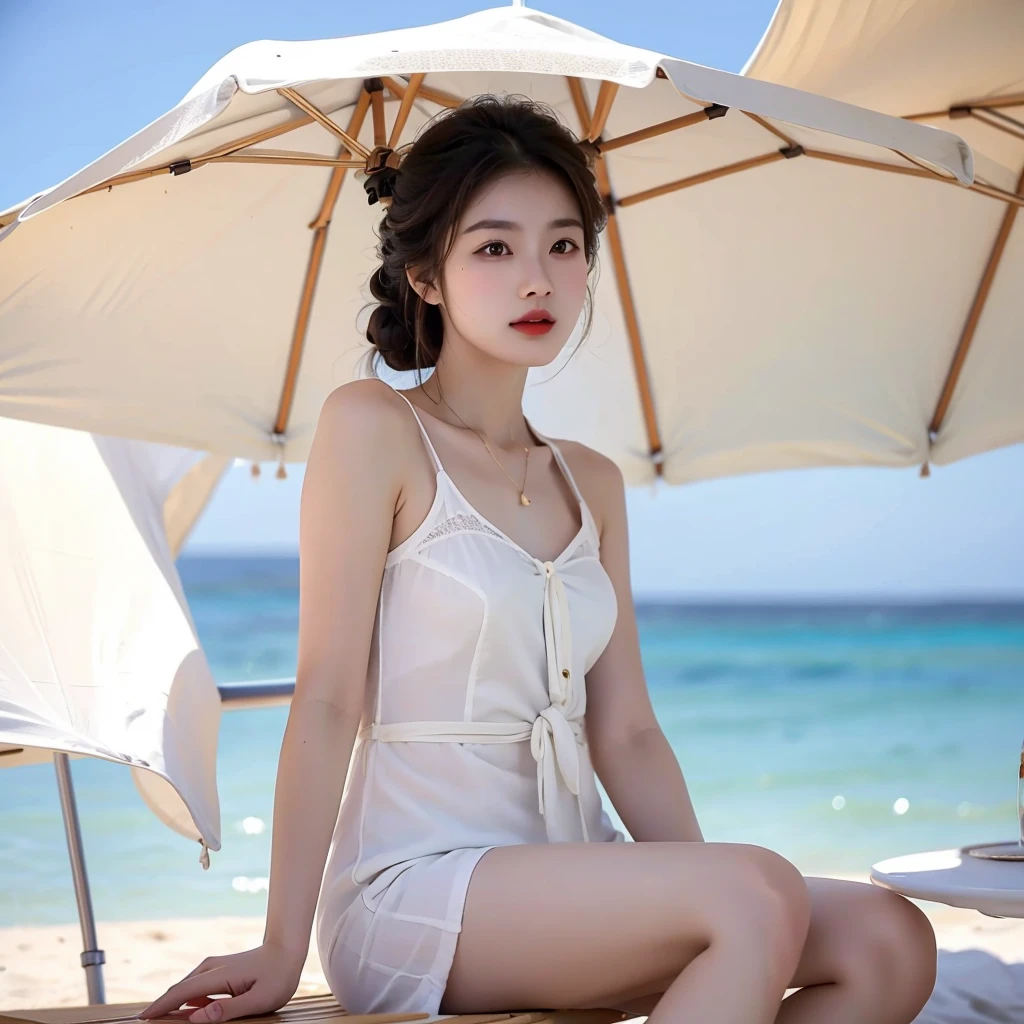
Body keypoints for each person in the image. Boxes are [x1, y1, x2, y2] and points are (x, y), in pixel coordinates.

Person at [140, 94, 937, 1024]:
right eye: (494, 247)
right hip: (415, 889)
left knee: (888, 937)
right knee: (751, 893)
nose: (538, 280)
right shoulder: (375, 429)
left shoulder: (589, 480)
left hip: (576, 868)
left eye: (564, 246)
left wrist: (731, 897)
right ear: (425, 277)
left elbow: (628, 732)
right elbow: (324, 697)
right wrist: (280, 946)